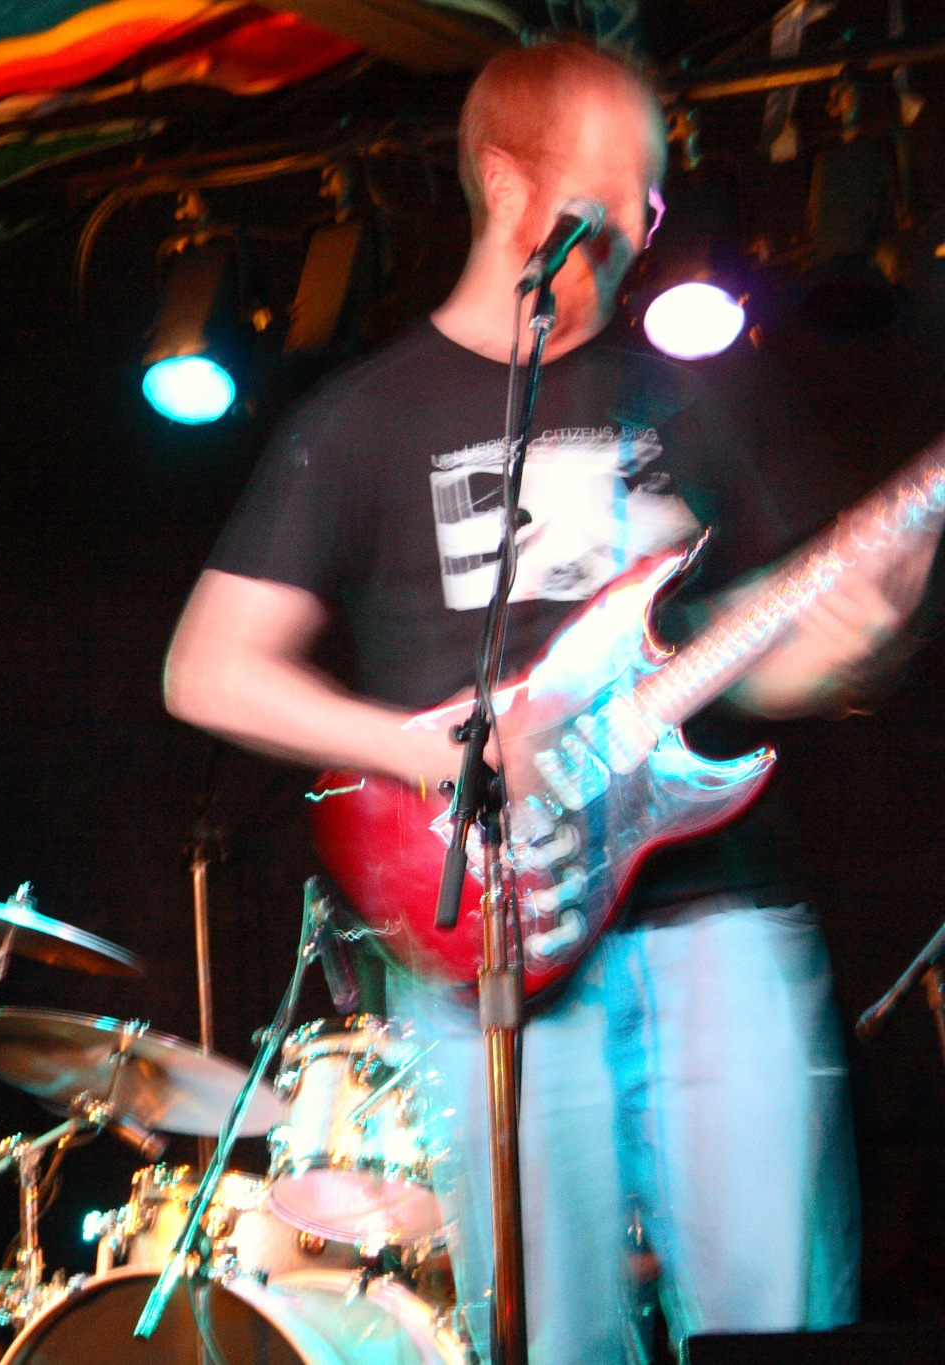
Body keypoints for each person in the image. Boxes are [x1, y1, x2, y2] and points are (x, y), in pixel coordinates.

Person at [163, 39, 939, 1364]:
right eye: (619, 187)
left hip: (719, 917)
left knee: (776, 1325)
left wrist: (861, 638)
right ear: (507, 180)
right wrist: (411, 743)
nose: (646, 219)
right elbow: (206, 665)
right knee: (553, 1336)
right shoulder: (360, 419)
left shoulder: (697, 387)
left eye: (653, 192)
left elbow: (777, 661)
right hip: (487, 952)